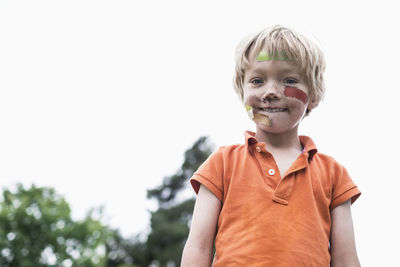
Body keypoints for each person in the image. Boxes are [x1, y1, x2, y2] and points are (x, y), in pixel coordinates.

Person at [181, 25, 361, 266]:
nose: (271, 92)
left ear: (314, 95)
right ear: (242, 91)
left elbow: (346, 260)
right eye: (257, 80)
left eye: (289, 80)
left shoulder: (335, 175)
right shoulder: (222, 163)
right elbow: (197, 248)